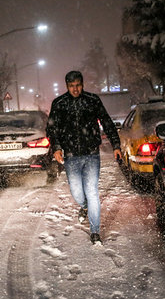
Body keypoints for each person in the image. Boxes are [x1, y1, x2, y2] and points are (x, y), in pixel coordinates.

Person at [46, 70, 122, 244]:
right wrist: (56, 147)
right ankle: (85, 206)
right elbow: (52, 129)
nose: (75, 89)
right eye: (72, 86)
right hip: (71, 156)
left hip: (91, 154)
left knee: (92, 192)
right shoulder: (59, 104)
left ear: (82, 84)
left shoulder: (92, 100)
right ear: (67, 86)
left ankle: (95, 232)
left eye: (78, 85)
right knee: (77, 192)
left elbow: (106, 122)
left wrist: (115, 145)